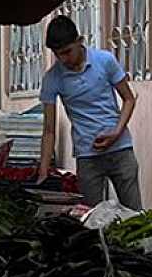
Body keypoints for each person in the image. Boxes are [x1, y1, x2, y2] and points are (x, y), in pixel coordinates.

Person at [37, 15, 141, 208]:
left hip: (120, 150)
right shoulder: (52, 78)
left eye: (67, 52)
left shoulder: (105, 60)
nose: (63, 59)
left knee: (133, 214)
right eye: (57, 54)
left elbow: (129, 99)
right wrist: (43, 169)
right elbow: (49, 130)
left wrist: (117, 132)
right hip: (87, 155)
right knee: (91, 219)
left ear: (79, 41)